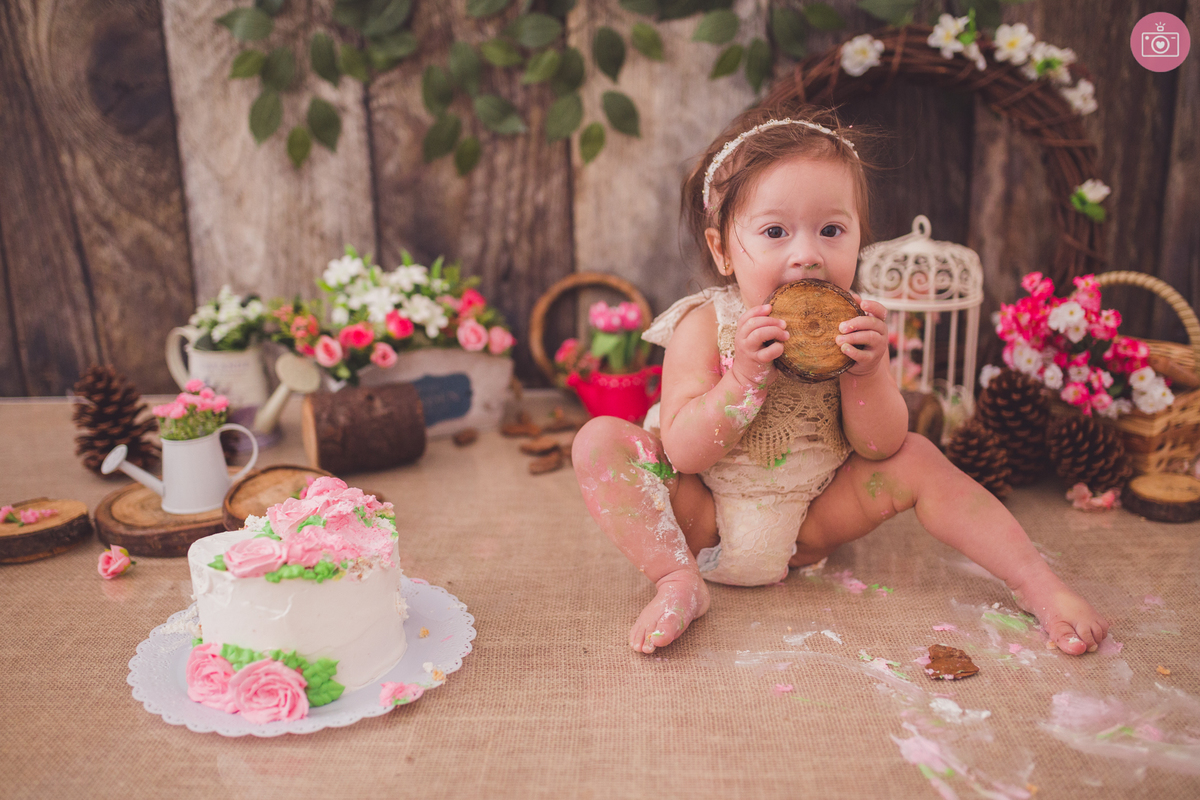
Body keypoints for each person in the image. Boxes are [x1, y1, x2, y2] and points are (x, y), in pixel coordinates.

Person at [571, 104, 1109, 657]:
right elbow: (684, 453)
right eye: (775, 231)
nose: (807, 256)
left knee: (919, 457)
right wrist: (743, 378)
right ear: (722, 250)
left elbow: (879, 445)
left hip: (814, 521)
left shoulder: (856, 324)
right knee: (600, 442)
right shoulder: (705, 325)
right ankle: (675, 579)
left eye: (831, 230)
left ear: (859, 242)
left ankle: (1037, 583)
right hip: (702, 518)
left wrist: (867, 374)